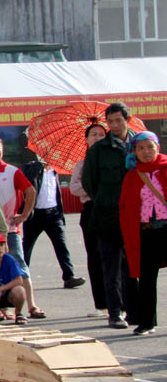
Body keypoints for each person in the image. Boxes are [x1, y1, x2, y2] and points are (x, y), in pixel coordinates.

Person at [84, 102, 139, 329]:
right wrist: (106, 200)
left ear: (127, 119)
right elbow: (89, 182)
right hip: (108, 216)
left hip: (136, 216)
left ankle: (134, 311)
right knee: (111, 266)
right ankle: (115, 312)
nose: (115, 125)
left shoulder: (140, 144)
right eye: (111, 121)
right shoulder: (98, 149)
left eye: (119, 120)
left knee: (134, 267)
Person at [0, 134, 43, 319]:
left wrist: (24, 215)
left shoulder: (12, 171)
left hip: (9, 230)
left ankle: (31, 305)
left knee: (19, 266)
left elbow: (30, 191)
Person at [119, 130, 167, 336]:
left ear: (158, 148)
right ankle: (147, 321)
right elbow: (126, 207)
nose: (146, 152)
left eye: (150, 147)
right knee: (147, 279)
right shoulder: (132, 176)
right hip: (146, 232)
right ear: (134, 152)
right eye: (141, 148)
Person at [22, 151, 86, 289]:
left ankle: (69, 277)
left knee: (61, 246)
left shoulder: (54, 172)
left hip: (53, 214)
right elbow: (26, 178)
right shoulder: (33, 168)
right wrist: (39, 166)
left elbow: (56, 194)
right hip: (35, 215)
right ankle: (21, 277)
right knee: (26, 246)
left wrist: (60, 214)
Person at [70, 124, 110, 316]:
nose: (97, 137)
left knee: (114, 256)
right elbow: (74, 188)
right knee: (94, 257)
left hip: (110, 211)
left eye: (101, 134)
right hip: (91, 210)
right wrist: (96, 188)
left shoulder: (112, 160)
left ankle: (118, 302)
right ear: (86, 139)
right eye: (93, 134)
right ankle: (101, 305)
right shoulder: (82, 164)